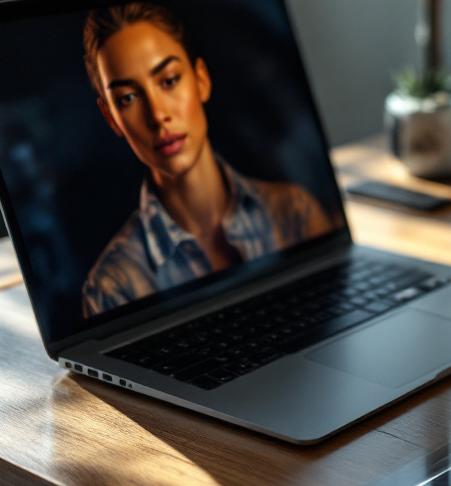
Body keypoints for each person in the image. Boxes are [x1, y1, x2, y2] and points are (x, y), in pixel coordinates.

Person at [79, 2, 340, 317]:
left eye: (169, 80)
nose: (158, 114)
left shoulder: (296, 214)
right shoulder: (112, 288)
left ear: (200, 80)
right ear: (111, 118)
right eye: (128, 98)